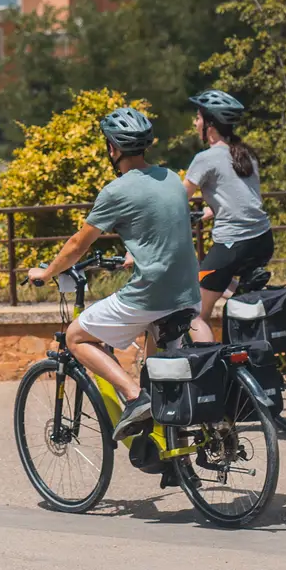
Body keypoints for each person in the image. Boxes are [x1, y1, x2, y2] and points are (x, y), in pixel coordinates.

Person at [27, 106, 212, 441]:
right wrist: (135, 252)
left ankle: (133, 396)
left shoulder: (116, 191)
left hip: (151, 295)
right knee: (157, 373)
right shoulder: (171, 177)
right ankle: (168, 449)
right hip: (187, 293)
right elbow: (165, 227)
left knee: (75, 337)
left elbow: (78, 244)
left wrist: (47, 271)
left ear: (112, 148)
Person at [183, 90, 274, 325]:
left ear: (210, 125)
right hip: (263, 240)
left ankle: (206, 349)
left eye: (198, 118)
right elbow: (242, 197)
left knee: (195, 315)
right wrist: (210, 212)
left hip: (234, 244)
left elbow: (178, 199)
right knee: (223, 284)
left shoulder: (205, 158)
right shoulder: (246, 153)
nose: (195, 123)